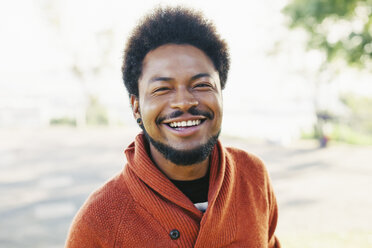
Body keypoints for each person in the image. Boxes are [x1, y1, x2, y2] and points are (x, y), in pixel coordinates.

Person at [65, 6, 281, 248]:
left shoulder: (252, 176)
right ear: (136, 107)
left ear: (221, 93)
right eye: (162, 89)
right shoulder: (99, 222)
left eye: (201, 85)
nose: (184, 101)